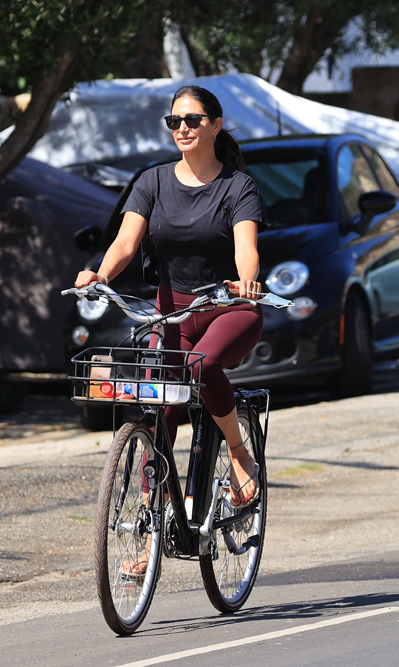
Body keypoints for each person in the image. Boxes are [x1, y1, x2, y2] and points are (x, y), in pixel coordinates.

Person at [74, 85, 265, 562]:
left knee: (198, 367)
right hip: (171, 311)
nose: (182, 128)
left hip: (228, 307)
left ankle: (239, 452)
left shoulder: (237, 187)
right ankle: (149, 522)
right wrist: (99, 274)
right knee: (156, 404)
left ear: (215, 125)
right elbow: (124, 244)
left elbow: (247, 247)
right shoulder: (153, 181)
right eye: (174, 121)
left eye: (193, 120)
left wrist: (246, 281)